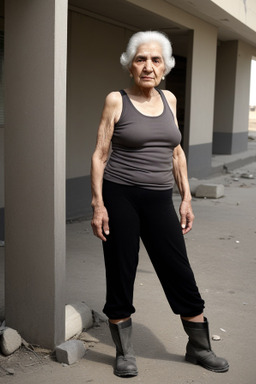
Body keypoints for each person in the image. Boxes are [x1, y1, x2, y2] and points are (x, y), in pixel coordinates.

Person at [90, 31, 229, 377]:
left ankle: (198, 347)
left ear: (165, 67)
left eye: (155, 60)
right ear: (130, 65)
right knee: (121, 269)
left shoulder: (169, 99)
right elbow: (100, 154)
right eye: (140, 59)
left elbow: (176, 151)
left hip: (158, 199)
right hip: (120, 195)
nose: (148, 66)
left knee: (177, 268)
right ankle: (124, 352)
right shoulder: (116, 100)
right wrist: (98, 204)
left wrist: (186, 199)